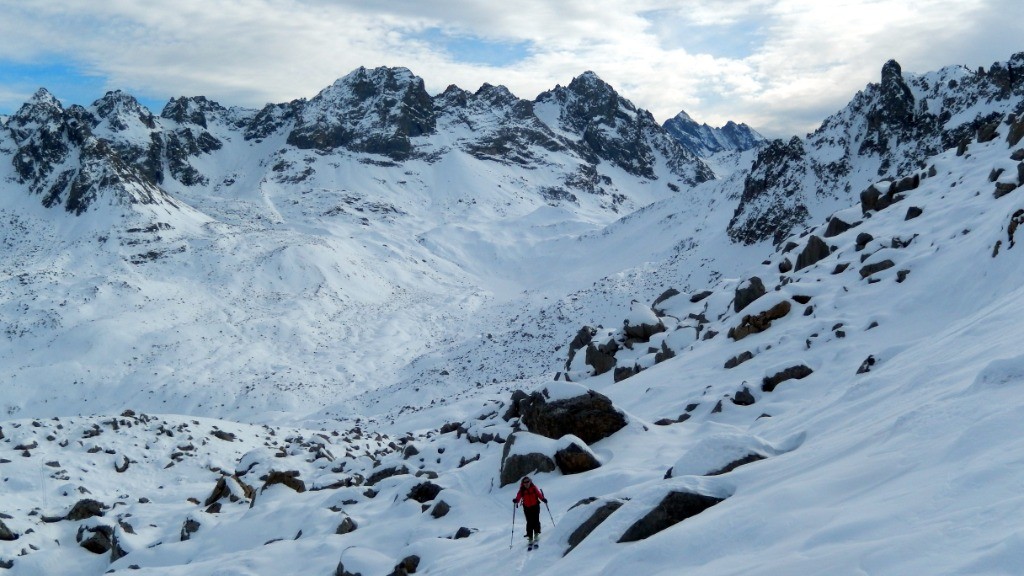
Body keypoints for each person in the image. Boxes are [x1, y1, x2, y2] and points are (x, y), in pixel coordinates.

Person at [513, 476, 547, 543]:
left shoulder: (534, 488)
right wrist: (516, 500)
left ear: (530, 481)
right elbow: (518, 496)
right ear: (523, 483)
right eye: (525, 482)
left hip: (535, 506)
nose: (526, 483)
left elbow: (539, 494)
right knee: (529, 521)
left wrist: (543, 499)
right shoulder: (522, 490)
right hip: (527, 507)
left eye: (527, 481)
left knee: (536, 520)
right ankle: (530, 536)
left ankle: (536, 533)